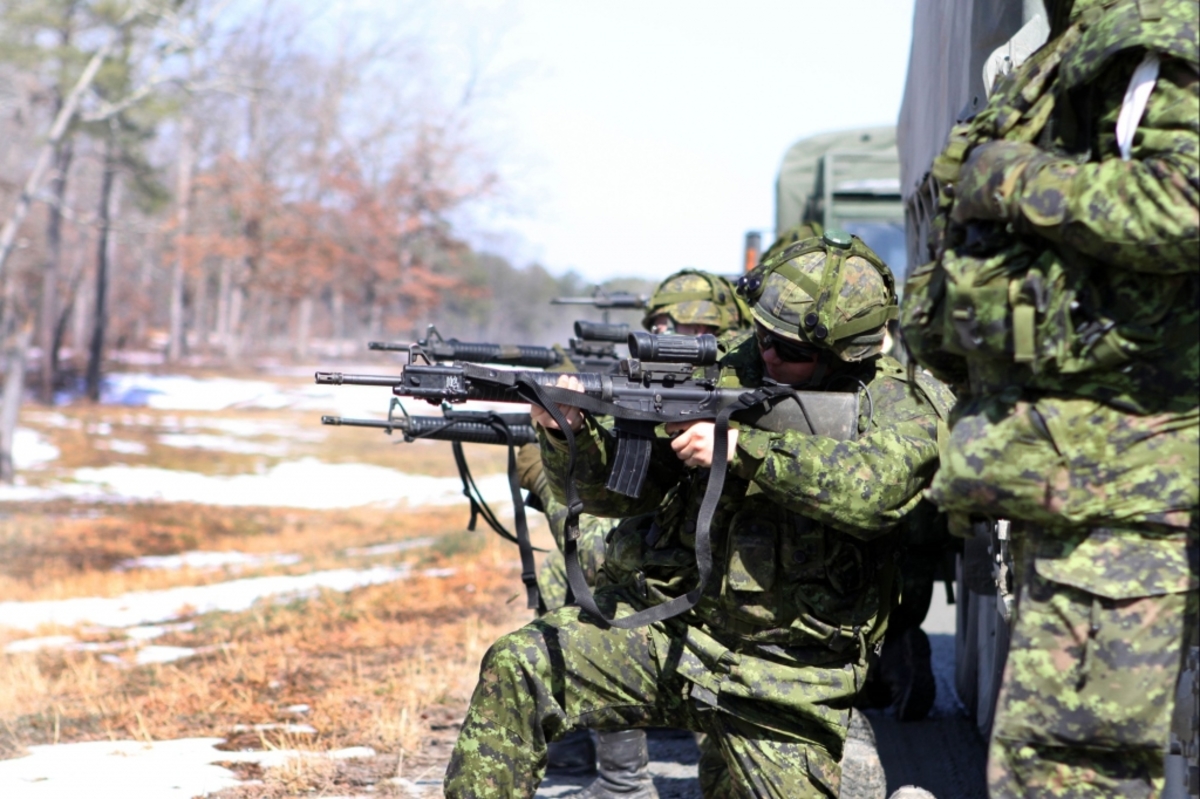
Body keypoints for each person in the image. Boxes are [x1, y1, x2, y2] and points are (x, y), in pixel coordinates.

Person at [444, 229, 951, 798]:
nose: (768, 354)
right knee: (520, 665)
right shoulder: (736, 368)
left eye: (793, 350)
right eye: (763, 336)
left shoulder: (904, 402)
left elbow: (879, 491)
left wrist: (741, 452)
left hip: (786, 676)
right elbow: (619, 496)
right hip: (676, 630)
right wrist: (573, 433)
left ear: (844, 351)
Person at [899, 0, 1198, 795]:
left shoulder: (1156, 33)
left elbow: (1186, 203)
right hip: (1070, 477)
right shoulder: (1067, 45)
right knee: (1045, 765)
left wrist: (1015, 177)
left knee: (1069, 773)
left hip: (1129, 485)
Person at [521, 268, 752, 798]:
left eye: (701, 333)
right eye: (667, 328)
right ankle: (618, 775)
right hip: (668, 553)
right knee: (593, 576)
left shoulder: (757, 395)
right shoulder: (642, 381)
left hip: (747, 588)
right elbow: (602, 487)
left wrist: (739, 450)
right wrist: (566, 435)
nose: (682, 344)